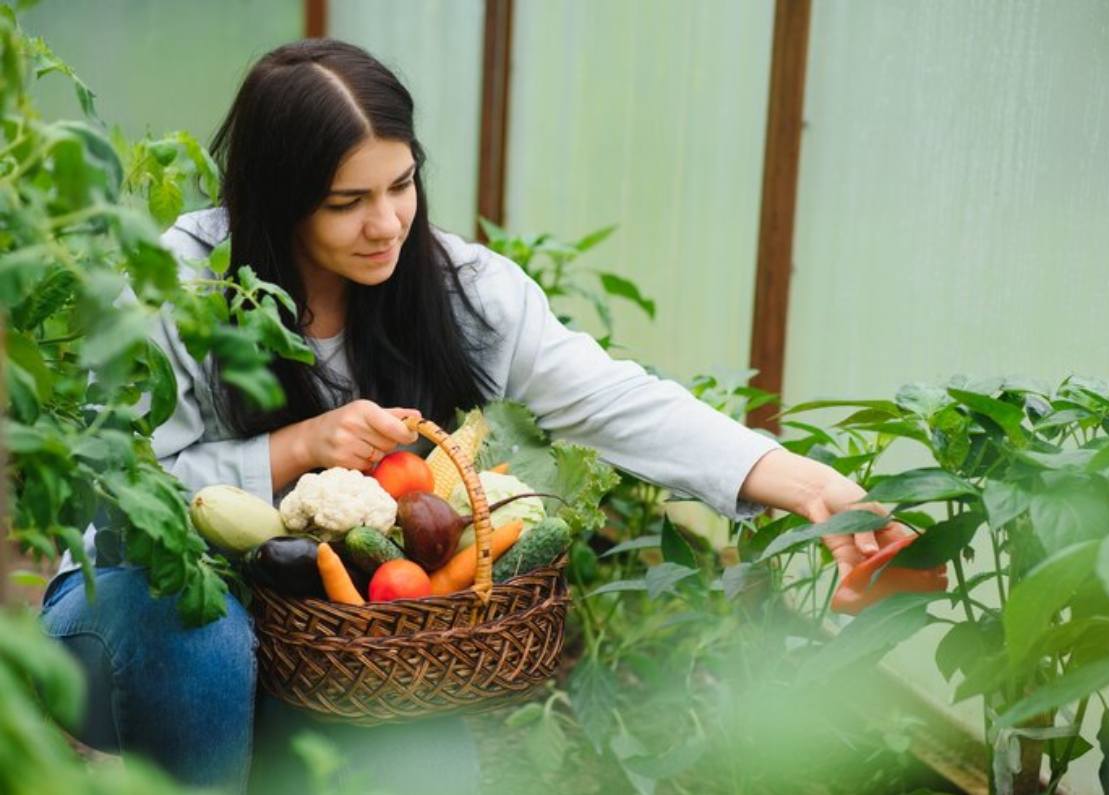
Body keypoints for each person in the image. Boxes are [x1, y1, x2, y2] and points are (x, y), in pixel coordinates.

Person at [39, 38, 910, 794]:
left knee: (427, 772)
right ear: (275, 196)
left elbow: (612, 397)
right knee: (198, 636)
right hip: (128, 611)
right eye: (348, 202)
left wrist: (806, 484)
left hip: (338, 634)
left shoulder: (457, 289)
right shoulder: (180, 284)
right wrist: (295, 447)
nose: (387, 223)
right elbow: (117, 488)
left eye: (403, 183)